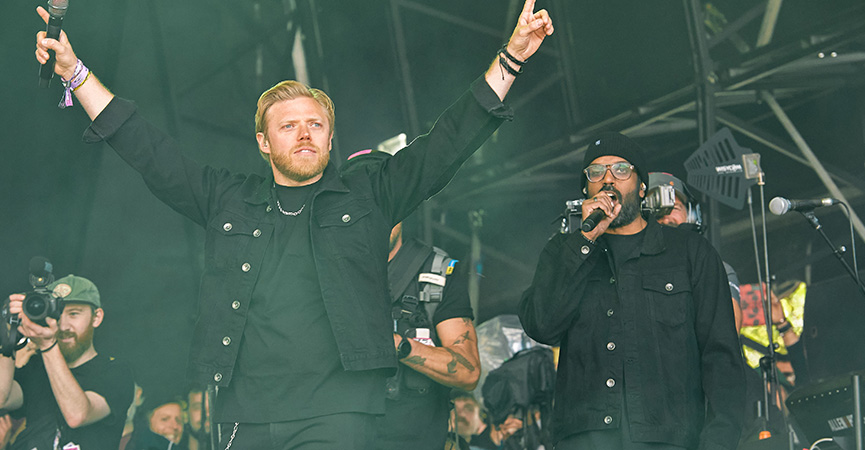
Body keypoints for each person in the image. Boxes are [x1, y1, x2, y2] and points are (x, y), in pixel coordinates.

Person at [33, 1, 553, 448]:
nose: (304, 134)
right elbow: (149, 151)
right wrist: (76, 72)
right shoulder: (228, 199)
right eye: (288, 126)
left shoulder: (371, 195)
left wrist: (512, 58)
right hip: (242, 412)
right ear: (264, 143)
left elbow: (448, 142)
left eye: (315, 125)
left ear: (330, 141)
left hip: (339, 410)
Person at [518, 133, 746, 450]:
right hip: (585, 440)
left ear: (641, 187)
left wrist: (718, 442)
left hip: (669, 439)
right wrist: (584, 243)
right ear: (586, 189)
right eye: (596, 173)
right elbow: (540, 324)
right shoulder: (563, 251)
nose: (608, 179)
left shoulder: (689, 252)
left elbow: (722, 356)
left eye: (621, 170)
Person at [342, 149, 482, 450]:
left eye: (384, 203)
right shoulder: (327, 274)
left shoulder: (439, 271)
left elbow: (469, 370)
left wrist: (397, 345)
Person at [0, 275, 135, 449]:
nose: (63, 326)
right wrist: (8, 337)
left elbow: (77, 415)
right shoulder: (37, 368)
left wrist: (48, 345)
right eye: (57, 314)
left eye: (74, 314)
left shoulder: (115, 372)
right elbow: (3, 398)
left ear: (97, 317)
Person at [648, 172, 743, 333]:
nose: (666, 216)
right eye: (655, 209)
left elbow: (728, 329)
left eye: (674, 207)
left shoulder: (713, 267)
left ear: (691, 214)